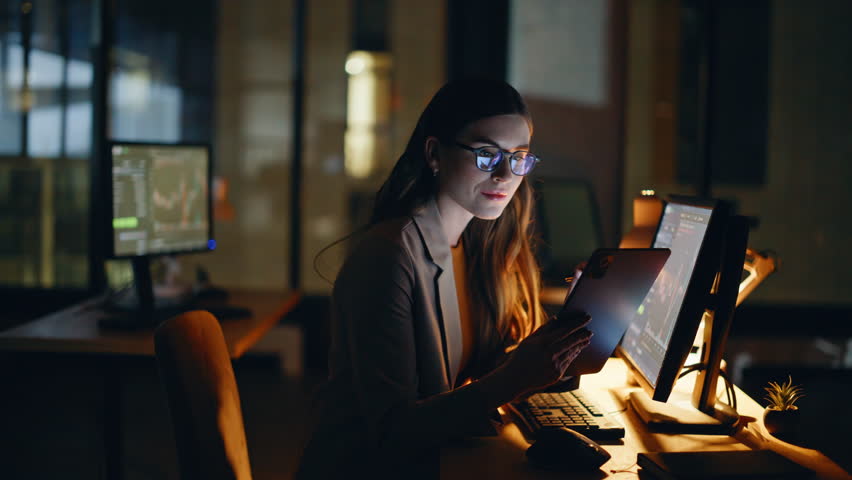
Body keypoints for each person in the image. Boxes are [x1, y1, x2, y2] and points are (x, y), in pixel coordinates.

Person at [296, 78, 592, 479]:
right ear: (435, 154)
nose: (505, 174)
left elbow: (484, 366)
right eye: (486, 154)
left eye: (518, 157)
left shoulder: (476, 245)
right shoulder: (389, 255)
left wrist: (565, 334)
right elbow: (391, 431)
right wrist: (513, 379)